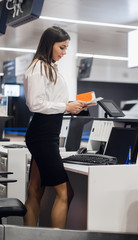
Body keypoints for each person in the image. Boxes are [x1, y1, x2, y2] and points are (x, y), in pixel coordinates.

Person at [23, 26, 87, 228]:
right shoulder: (38, 68)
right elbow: (35, 104)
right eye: (62, 47)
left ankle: (28, 235)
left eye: (67, 48)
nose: (64, 52)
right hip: (43, 135)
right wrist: (66, 106)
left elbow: (49, 101)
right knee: (66, 192)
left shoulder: (47, 67)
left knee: (35, 190)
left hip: (45, 133)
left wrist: (70, 107)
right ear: (49, 44)